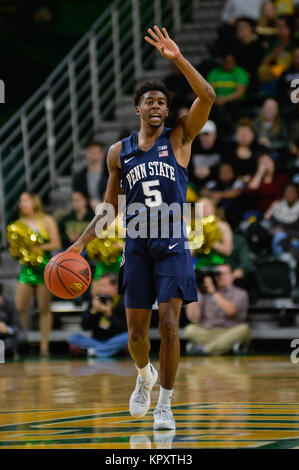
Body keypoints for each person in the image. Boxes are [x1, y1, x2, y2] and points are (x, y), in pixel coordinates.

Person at [67, 25, 216, 430]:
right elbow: (109, 209)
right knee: (137, 336)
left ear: (168, 112)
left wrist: (177, 58)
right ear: (138, 109)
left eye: (162, 103)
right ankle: (144, 375)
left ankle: (166, 404)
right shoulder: (120, 152)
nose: (157, 106)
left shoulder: (181, 137)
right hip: (135, 245)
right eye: (150, 100)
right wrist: (78, 246)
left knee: (169, 324)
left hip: (172, 243)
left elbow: (208, 96)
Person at [14, 192, 61, 357]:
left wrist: (38, 249)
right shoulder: (18, 223)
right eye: (21, 201)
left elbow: (56, 243)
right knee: (20, 308)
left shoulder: (46, 220)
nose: (22, 204)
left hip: (44, 268)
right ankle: (19, 345)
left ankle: (44, 347)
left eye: (25, 201)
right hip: (26, 269)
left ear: (34, 202)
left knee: (44, 308)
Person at [184, 264, 250, 356]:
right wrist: (194, 289)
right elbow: (193, 318)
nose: (219, 277)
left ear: (232, 276)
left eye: (223, 274)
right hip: (208, 332)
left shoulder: (240, 293)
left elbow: (231, 311)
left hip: (229, 331)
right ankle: (223, 348)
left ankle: (205, 350)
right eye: (217, 274)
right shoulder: (203, 292)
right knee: (189, 329)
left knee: (244, 329)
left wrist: (213, 292)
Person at [68, 272, 128, 358]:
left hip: (115, 340)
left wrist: (109, 315)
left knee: (127, 337)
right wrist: (93, 311)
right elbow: (84, 326)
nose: (100, 289)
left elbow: (124, 329)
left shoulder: (123, 302)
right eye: (100, 286)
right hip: (96, 341)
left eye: (103, 286)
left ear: (115, 287)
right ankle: (109, 351)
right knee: (73, 338)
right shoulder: (95, 300)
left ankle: (92, 351)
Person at [207, 52, 249, 136]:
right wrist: (217, 100)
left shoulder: (240, 72)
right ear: (222, 61)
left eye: (231, 61)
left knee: (231, 106)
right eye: (226, 61)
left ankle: (228, 130)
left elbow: (240, 92)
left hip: (233, 102)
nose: (228, 63)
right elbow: (208, 91)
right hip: (216, 101)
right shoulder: (214, 72)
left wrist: (224, 99)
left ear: (235, 62)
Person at [202, 162, 245, 228]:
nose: (225, 173)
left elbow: (237, 192)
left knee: (230, 203)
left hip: (232, 214)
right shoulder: (214, 182)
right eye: (223, 171)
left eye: (227, 171)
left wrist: (220, 195)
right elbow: (203, 191)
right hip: (214, 208)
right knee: (201, 203)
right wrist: (213, 196)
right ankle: (198, 232)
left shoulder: (237, 182)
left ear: (233, 172)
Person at [72, 140, 108, 211]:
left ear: (102, 155)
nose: (92, 155)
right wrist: (88, 203)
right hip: (87, 210)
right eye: (90, 152)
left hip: (107, 209)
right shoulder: (80, 176)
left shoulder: (109, 174)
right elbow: (77, 195)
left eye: (95, 153)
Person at [188, 120, 223, 193]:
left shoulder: (222, 149)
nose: (206, 138)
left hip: (218, 188)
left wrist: (210, 171)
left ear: (215, 135)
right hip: (195, 187)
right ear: (199, 136)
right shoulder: (192, 149)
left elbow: (226, 171)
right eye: (203, 135)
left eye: (208, 135)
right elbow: (186, 170)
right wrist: (194, 171)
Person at [0, 283, 26, 358]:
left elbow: (18, 327)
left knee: (21, 337)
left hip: (6, 337)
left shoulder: (10, 304)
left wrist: (7, 329)